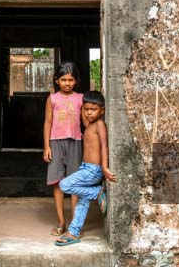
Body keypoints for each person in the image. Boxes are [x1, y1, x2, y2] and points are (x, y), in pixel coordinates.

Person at [54, 90, 117, 246]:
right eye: (86, 109)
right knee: (83, 200)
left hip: (93, 170)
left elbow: (104, 146)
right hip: (85, 168)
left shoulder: (100, 125)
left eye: (93, 110)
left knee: (64, 184)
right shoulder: (88, 124)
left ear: (102, 110)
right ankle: (74, 232)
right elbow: (81, 113)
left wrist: (104, 167)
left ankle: (96, 193)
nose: (89, 113)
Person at [43, 61, 84, 236]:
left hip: (75, 141)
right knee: (58, 182)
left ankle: (75, 225)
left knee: (75, 183)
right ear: (56, 80)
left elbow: (86, 122)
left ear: (76, 81)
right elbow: (48, 123)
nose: (67, 83)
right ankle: (61, 222)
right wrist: (46, 146)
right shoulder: (52, 99)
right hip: (55, 143)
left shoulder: (81, 98)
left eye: (70, 80)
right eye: (63, 79)